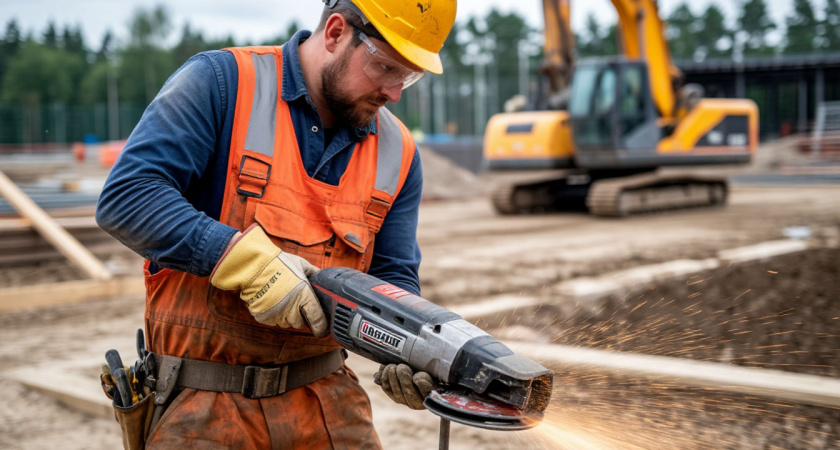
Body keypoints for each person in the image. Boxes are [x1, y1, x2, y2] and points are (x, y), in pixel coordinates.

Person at [95, 0, 456, 447]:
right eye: (385, 67)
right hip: (202, 405)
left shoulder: (398, 151)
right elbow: (128, 195)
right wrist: (246, 262)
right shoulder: (222, 84)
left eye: (408, 76)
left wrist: (409, 348)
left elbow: (393, 276)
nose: (395, 92)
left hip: (328, 403)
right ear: (335, 32)